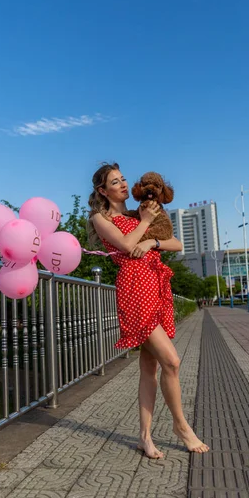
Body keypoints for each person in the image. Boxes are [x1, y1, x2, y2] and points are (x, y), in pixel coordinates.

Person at [87, 163, 209, 458]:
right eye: (116, 182)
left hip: (156, 286)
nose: (124, 184)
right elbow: (128, 246)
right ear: (103, 191)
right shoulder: (102, 218)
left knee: (149, 367)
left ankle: (144, 437)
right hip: (134, 290)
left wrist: (154, 238)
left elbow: (176, 244)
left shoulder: (140, 212)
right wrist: (145, 223)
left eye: (124, 178)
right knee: (172, 361)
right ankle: (182, 427)